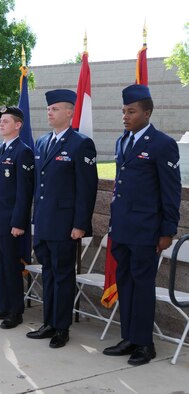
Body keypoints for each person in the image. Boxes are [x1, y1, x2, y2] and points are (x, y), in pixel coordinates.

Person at [103, 84, 181, 365]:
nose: (126, 116)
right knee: (125, 284)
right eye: (124, 111)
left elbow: (170, 192)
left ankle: (145, 345)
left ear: (147, 113)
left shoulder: (162, 144)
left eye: (132, 111)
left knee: (142, 286)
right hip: (123, 228)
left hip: (146, 231)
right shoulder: (122, 141)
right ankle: (129, 338)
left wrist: (167, 231)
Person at [28, 89, 98, 348]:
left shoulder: (81, 144)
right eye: (49, 109)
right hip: (45, 223)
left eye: (55, 108)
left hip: (66, 225)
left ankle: (61, 327)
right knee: (49, 274)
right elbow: (40, 185)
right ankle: (48, 322)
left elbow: (86, 189)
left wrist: (80, 224)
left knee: (63, 275)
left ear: (69, 112)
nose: (50, 112)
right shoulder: (43, 142)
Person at [0, 106, 34, 328]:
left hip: (11, 222)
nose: (1, 124)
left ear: (18, 125)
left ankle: (15, 311)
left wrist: (19, 223)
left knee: (11, 268)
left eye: (5, 121)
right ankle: (2, 306)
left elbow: (24, 191)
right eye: (0, 121)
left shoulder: (23, 151)